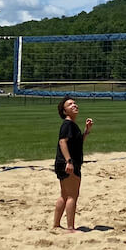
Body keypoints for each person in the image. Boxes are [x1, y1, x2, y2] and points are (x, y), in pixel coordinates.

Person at [53, 96, 94, 232]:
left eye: (75, 103)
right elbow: (62, 142)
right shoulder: (68, 124)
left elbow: (76, 143)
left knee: (64, 195)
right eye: (70, 104)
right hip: (68, 163)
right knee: (72, 196)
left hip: (62, 163)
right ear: (64, 111)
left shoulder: (71, 125)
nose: (74, 105)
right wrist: (69, 161)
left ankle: (57, 225)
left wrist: (86, 132)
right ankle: (70, 227)